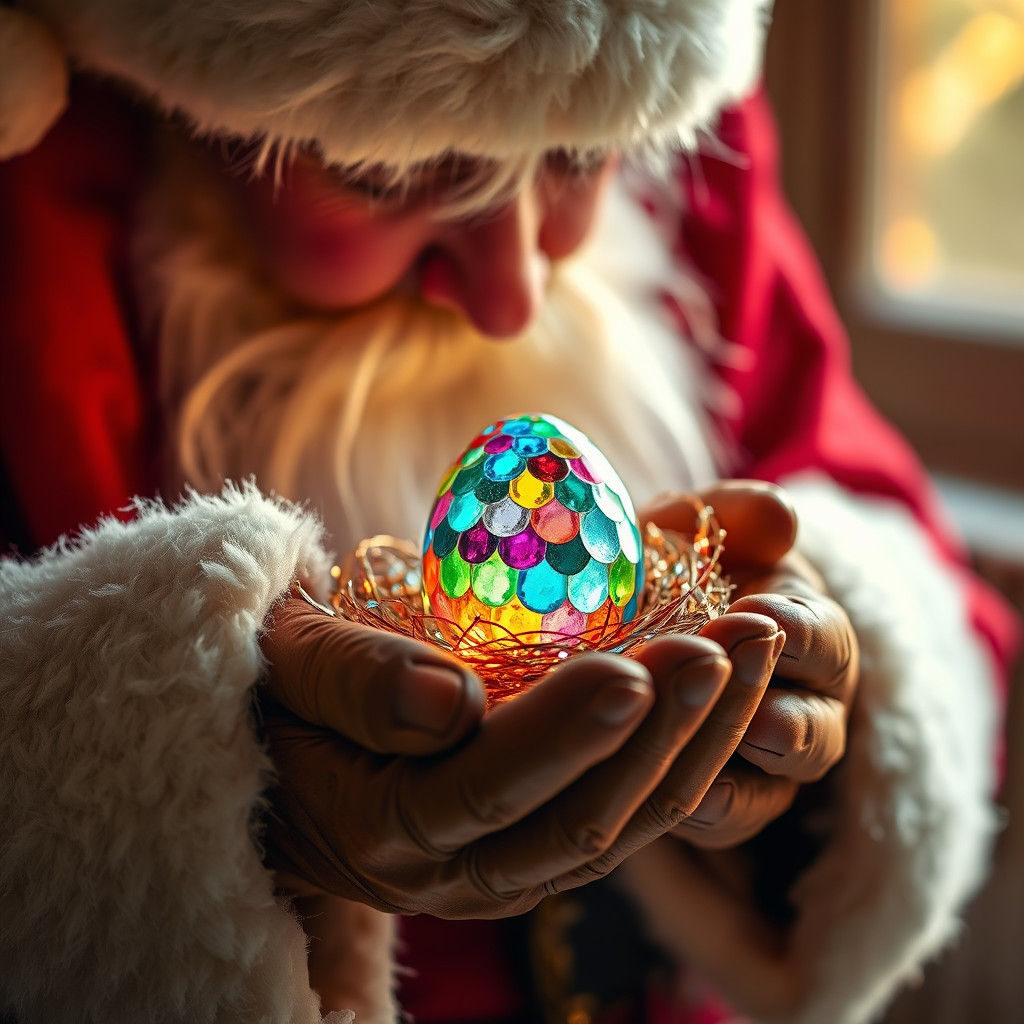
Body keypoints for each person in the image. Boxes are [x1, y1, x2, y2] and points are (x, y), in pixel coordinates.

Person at [0, 2, 1018, 1023]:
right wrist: (170, 791)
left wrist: (830, 710)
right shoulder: (33, 208)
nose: (514, 292)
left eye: (580, 155)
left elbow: (900, 558)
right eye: (387, 170)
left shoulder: (696, 162)